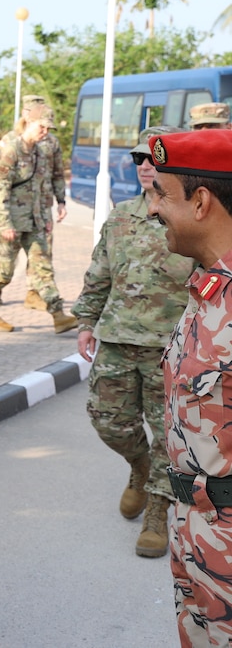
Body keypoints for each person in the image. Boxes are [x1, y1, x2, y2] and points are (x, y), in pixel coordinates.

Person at [72, 126, 193, 559]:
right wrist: (86, 320)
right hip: (117, 339)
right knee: (108, 421)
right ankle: (140, 467)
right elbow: (100, 272)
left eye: (154, 159)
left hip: (171, 345)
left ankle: (158, 512)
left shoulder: (191, 216)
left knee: (167, 434)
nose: (145, 165)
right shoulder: (120, 216)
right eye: (139, 158)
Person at [149, 128, 232, 646]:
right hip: (193, 528)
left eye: (162, 193)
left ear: (200, 202)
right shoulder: (207, 287)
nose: (152, 207)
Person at [0, 102, 78, 333]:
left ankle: (58, 315)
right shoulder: (10, 149)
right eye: (41, 127)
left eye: (48, 129)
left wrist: (52, 209)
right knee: (3, 270)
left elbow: (45, 183)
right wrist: (4, 223)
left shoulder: (39, 151)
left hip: (34, 220)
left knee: (43, 268)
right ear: (28, 122)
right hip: (10, 223)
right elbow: (0, 189)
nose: (45, 132)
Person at [18, 94, 68, 311]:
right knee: (6, 258)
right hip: (17, 206)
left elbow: (58, 173)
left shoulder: (51, 141)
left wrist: (61, 201)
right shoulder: (15, 140)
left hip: (43, 204)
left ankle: (34, 292)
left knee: (42, 251)